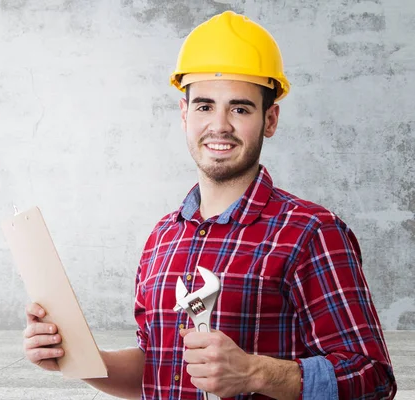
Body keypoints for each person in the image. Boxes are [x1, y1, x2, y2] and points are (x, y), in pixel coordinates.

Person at [23, 10, 397, 400]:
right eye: (204, 106)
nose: (219, 125)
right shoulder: (162, 238)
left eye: (239, 108)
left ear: (270, 119)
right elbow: (155, 370)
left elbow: (374, 378)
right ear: (185, 114)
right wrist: (76, 357)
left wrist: (255, 373)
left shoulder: (311, 231)